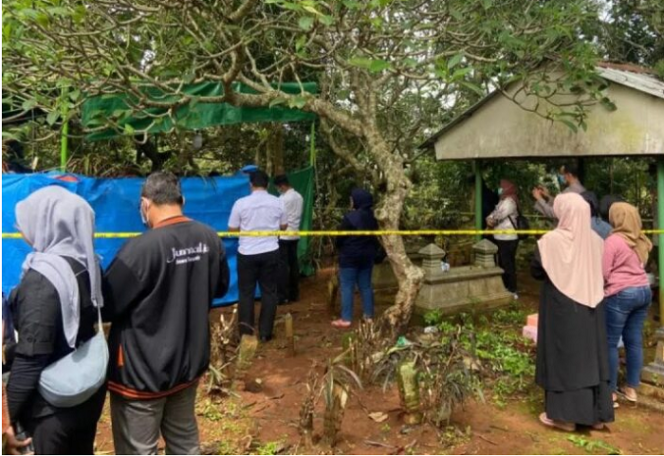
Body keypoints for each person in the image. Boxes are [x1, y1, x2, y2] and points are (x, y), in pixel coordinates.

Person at [103, 172, 230, 455]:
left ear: (145, 205)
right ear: (181, 200)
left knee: (139, 449)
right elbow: (220, 288)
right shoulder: (210, 239)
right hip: (188, 365)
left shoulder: (140, 249)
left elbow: (107, 305)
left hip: (141, 374)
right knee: (185, 443)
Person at [6, 186, 106, 454]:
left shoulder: (43, 279)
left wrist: (6, 418)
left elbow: (31, 358)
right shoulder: (88, 265)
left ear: (46, 223)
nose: (21, 228)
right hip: (86, 392)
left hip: (51, 407)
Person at [531, 193, 613, 432]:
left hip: (562, 308)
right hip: (593, 307)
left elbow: (536, 270)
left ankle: (564, 417)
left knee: (565, 357)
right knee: (592, 358)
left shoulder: (551, 241)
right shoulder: (597, 240)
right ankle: (596, 416)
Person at [603, 202, 653, 406]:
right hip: (644, 291)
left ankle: (610, 391)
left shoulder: (613, 240)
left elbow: (603, 272)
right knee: (633, 341)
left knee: (610, 343)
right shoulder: (642, 240)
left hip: (621, 294)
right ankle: (632, 388)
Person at [229, 170, 287, 342]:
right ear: (267, 184)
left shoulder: (241, 203)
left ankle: (246, 333)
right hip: (270, 251)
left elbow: (232, 229)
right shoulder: (278, 202)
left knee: (246, 293)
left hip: (247, 253)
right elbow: (283, 226)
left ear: (250, 184)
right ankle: (265, 333)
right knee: (269, 292)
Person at [332, 189, 380, 329]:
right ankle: (368, 316)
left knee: (347, 286)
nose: (350, 202)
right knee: (365, 286)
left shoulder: (350, 218)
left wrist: (338, 248)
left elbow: (340, 238)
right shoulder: (373, 218)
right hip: (367, 257)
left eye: (352, 199)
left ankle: (346, 319)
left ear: (357, 201)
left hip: (349, 257)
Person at [487, 179, 520, 298]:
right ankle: (505, 286)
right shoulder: (502, 200)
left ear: (507, 188)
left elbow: (498, 216)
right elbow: (493, 214)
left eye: (502, 187)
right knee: (502, 263)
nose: (500, 189)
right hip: (500, 237)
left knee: (508, 264)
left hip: (508, 237)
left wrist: (491, 220)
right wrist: (489, 219)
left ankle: (512, 289)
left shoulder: (510, 201)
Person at [275, 174, 304, 304]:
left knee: (282, 267)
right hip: (295, 234)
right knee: (293, 264)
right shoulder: (299, 197)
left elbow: (277, 217)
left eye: (278, 187)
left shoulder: (282, 199)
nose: (278, 189)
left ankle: (282, 296)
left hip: (284, 235)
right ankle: (294, 293)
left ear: (282, 186)